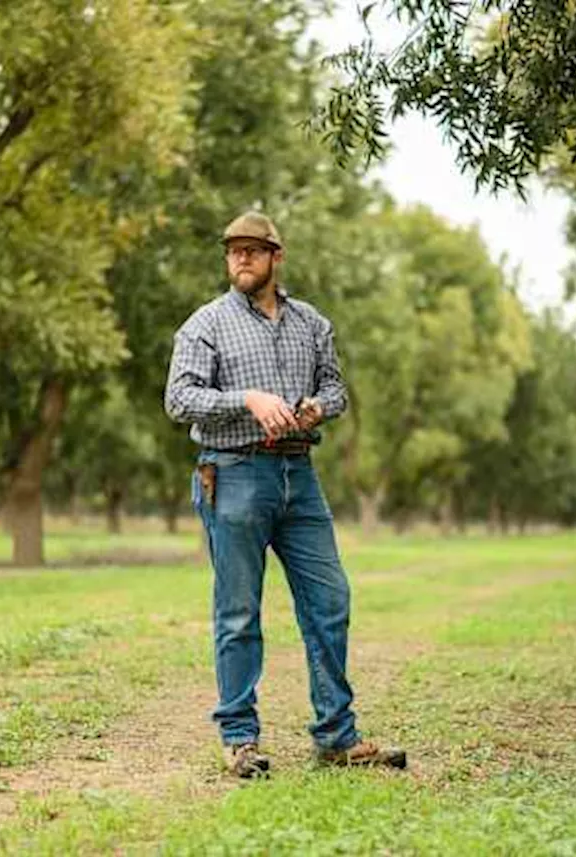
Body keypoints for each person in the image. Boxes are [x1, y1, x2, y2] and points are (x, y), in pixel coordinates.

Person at [164, 211, 406, 779]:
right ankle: (240, 740)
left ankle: (336, 737)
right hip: (233, 476)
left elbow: (336, 387)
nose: (241, 259)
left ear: (277, 256)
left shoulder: (312, 324)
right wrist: (246, 398)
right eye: (233, 251)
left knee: (329, 601)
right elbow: (179, 399)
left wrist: (319, 406)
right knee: (239, 612)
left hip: (300, 477)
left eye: (252, 250)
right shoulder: (205, 325)